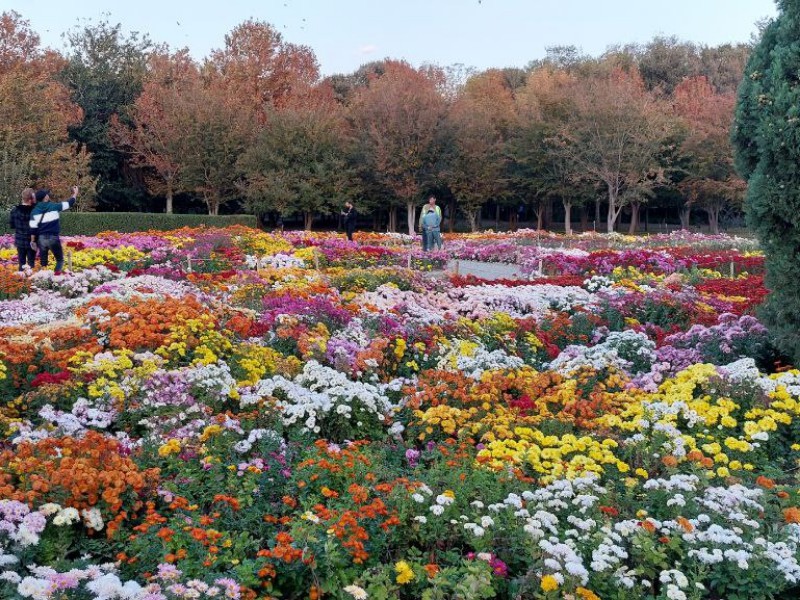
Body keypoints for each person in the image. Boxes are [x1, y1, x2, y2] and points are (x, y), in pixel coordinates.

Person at [29, 186, 78, 275]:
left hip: (41, 239)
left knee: (43, 262)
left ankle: (43, 278)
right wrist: (75, 193)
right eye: (47, 194)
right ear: (45, 197)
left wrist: (33, 242)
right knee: (60, 260)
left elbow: (32, 229)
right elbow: (70, 203)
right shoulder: (54, 206)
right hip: (53, 238)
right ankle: (56, 275)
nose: (48, 195)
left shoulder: (34, 211)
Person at [8, 188, 37, 270]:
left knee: (21, 263)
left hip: (20, 240)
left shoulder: (14, 210)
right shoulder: (35, 211)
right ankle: (30, 282)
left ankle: (21, 281)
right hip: (32, 241)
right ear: (31, 199)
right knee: (31, 263)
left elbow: (12, 225)